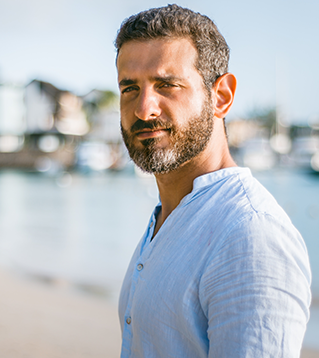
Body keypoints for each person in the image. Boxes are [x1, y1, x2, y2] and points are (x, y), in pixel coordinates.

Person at [115, 4, 311, 357]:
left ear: (221, 96)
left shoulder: (250, 235)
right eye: (130, 88)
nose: (145, 109)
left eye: (167, 85)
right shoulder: (168, 218)